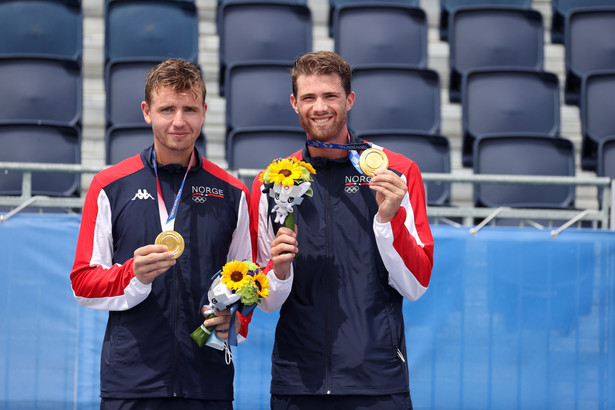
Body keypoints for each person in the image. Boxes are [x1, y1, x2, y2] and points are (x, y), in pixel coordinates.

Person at [250, 51, 435, 410]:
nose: (320, 107)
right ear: (294, 103)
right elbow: (267, 302)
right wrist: (280, 271)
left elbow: (416, 285)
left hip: (378, 382)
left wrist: (388, 219)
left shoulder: (395, 172)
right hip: (298, 384)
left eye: (330, 96)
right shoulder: (270, 182)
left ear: (349, 99)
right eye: (309, 97)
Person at [71, 58, 257, 409]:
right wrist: (133, 275)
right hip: (131, 383)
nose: (179, 121)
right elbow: (82, 283)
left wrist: (235, 318)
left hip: (207, 381)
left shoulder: (232, 192)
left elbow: (247, 282)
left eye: (189, 109)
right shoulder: (109, 186)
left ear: (204, 112)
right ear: (147, 111)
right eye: (167, 108)